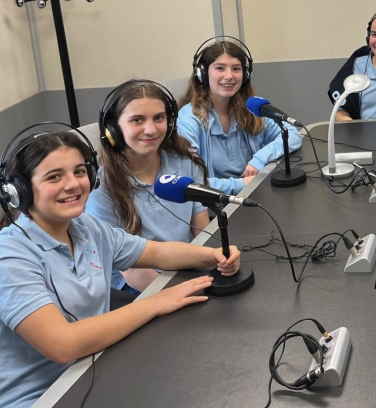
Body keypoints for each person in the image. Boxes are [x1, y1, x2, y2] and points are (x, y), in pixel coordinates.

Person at [0, 129, 240, 408]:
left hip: (93, 372)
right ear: (20, 191)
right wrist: (154, 303)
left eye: (79, 172)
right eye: (54, 177)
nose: (73, 184)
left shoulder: (85, 229)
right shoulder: (9, 257)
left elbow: (156, 252)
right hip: (40, 399)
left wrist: (213, 255)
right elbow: (63, 344)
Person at [86, 80, 210, 293]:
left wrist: (212, 264)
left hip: (185, 267)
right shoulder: (101, 185)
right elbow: (133, 271)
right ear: (113, 129)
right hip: (136, 283)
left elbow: (202, 232)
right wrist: (185, 292)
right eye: (137, 120)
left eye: (159, 118)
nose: (151, 129)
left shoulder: (185, 162)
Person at [178, 36, 302, 194]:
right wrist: (242, 184)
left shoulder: (248, 108)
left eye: (236, 69)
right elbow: (193, 182)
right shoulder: (189, 119)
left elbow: (291, 135)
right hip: (216, 205)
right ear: (202, 73)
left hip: (252, 193)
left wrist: (259, 159)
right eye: (220, 68)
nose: (229, 76)